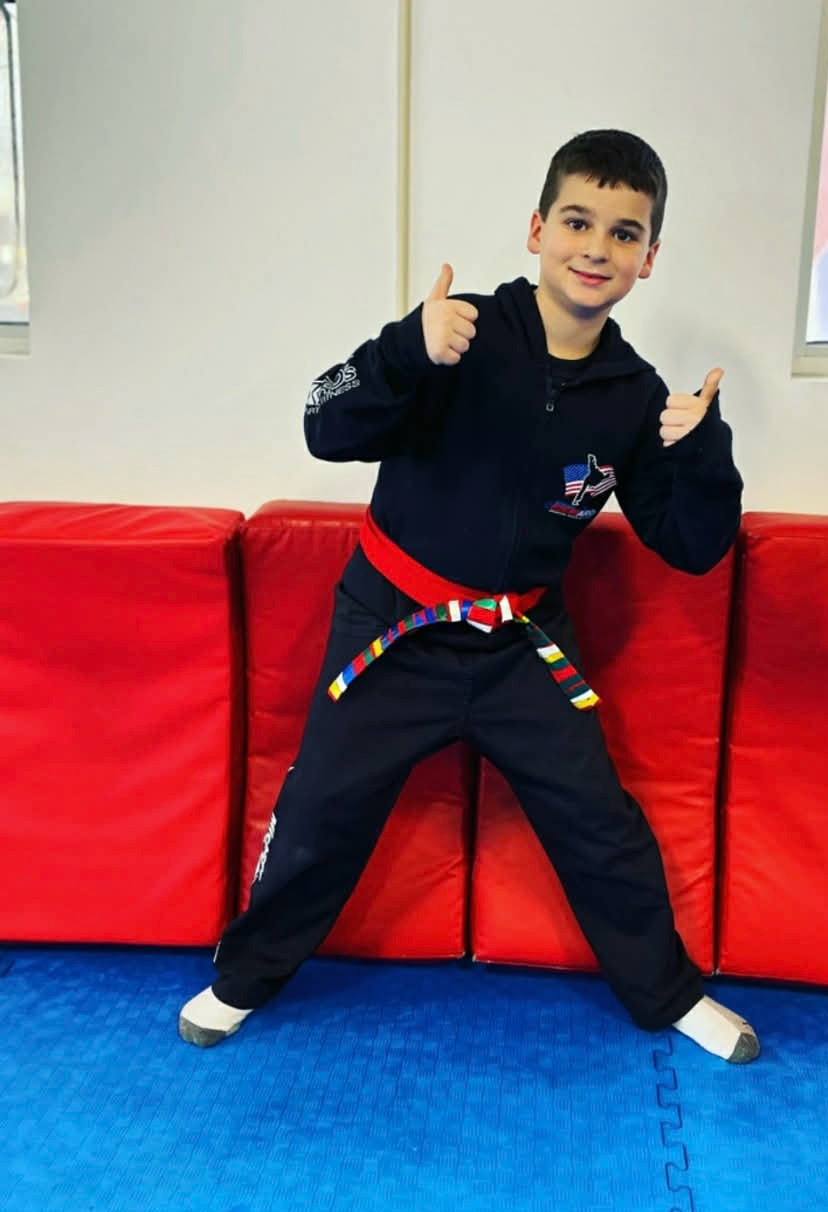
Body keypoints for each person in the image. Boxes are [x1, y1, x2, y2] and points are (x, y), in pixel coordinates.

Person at [179, 129, 759, 1064]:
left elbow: (690, 546)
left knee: (600, 825)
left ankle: (670, 998)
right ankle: (242, 979)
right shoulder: (461, 333)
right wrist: (406, 350)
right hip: (394, 625)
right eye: (577, 221)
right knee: (322, 814)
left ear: (648, 260)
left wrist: (703, 450)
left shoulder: (634, 394)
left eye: (622, 233)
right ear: (536, 228)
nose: (595, 248)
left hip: (522, 643)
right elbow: (323, 425)